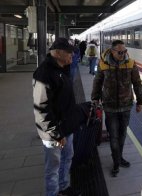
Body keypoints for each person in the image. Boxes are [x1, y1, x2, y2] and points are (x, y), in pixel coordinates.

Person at [33, 38, 84, 196]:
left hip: (66, 127)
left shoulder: (63, 69)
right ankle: (53, 193)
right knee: (53, 167)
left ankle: (64, 187)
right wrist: (56, 134)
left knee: (67, 158)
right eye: (69, 52)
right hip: (54, 132)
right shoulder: (44, 73)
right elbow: (41, 108)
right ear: (58, 53)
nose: (72, 55)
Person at [91, 40, 142, 177]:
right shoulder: (103, 63)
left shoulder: (131, 63)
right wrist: (95, 98)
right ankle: (116, 161)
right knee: (113, 136)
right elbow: (97, 82)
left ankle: (119, 157)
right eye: (120, 52)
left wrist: (140, 101)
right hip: (109, 106)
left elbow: (137, 83)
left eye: (125, 51)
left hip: (126, 105)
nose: (123, 54)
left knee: (122, 135)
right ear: (112, 51)